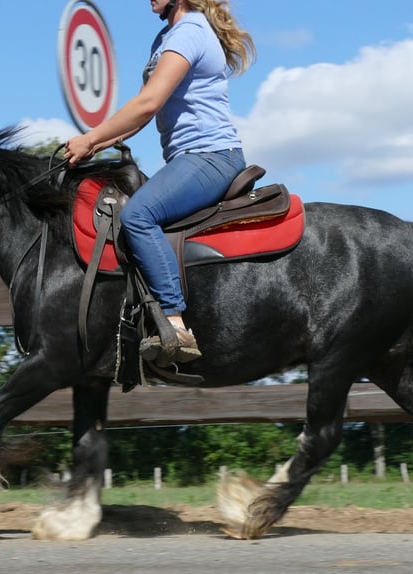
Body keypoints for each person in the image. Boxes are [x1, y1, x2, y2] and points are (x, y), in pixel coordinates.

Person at [65, 0, 255, 362]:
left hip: (211, 157)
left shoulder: (191, 31)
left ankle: (175, 324)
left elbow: (149, 103)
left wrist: (90, 138)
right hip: (187, 160)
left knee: (138, 215)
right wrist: (93, 144)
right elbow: (140, 115)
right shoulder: (164, 39)